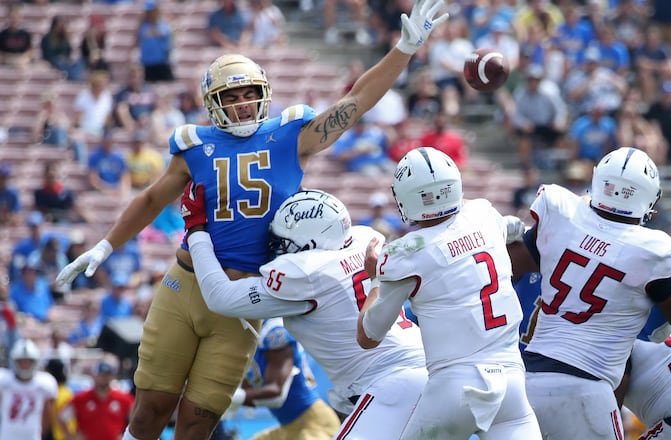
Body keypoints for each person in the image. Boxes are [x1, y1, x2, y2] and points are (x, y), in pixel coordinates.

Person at [56, 1, 448, 438]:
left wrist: (404, 49)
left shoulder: (290, 134)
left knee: (198, 421)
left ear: (263, 95)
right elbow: (151, 198)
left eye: (248, 94)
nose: (242, 105)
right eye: (231, 96)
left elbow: (354, 103)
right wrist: (106, 244)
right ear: (213, 102)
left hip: (246, 297)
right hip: (185, 284)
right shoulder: (194, 145)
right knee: (152, 408)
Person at [181, 187, 428, 438]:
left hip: (392, 383)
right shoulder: (364, 239)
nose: (278, 249)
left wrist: (196, 231)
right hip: (424, 366)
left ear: (309, 243)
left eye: (283, 243)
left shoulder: (306, 273)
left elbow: (219, 297)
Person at [507, 146, 671, 439]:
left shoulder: (563, 213)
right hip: (585, 386)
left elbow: (514, 264)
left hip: (528, 381)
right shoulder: (651, 250)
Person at [357, 147, 541, 438]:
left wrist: (375, 278)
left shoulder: (404, 252)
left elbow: (368, 336)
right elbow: (513, 228)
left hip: (455, 385)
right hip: (512, 384)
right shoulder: (483, 213)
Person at [238, 318, 340, 439]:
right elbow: (248, 393)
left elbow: (276, 393)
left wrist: (234, 397)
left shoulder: (274, 331)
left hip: (313, 424)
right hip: (289, 427)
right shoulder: (243, 335)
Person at [59, 359, 135, 440]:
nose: (104, 378)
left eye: (107, 375)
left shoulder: (124, 399)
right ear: (94, 375)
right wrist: (71, 437)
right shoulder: (81, 399)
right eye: (101, 375)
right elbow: (61, 417)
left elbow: (135, 420)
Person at [0, 339, 58, 439]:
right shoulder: (4, 380)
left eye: (28, 361)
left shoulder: (45, 383)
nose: (24, 365)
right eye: (21, 361)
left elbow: (48, 415)